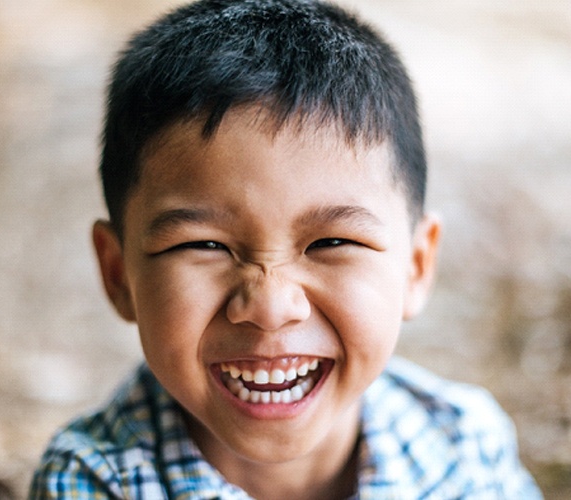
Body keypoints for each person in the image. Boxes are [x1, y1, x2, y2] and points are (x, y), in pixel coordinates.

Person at [30, 0, 542, 498]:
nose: (271, 308)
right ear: (119, 274)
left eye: (332, 242)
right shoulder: (92, 480)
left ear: (416, 265)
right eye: (204, 244)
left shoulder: (464, 448)